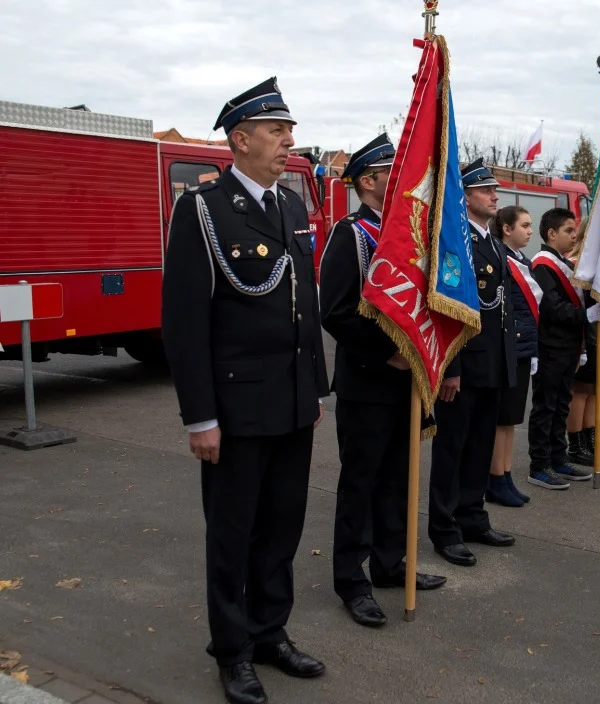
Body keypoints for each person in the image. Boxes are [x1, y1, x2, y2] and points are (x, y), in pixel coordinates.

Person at [161, 77, 329, 704]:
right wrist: (199, 417)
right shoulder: (201, 210)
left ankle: (269, 632)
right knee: (233, 534)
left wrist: (313, 388)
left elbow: (302, 306)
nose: (289, 140)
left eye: (289, 130)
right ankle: (232, 651)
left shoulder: (289, 206)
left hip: (289, 401)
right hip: (234, 407)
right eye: (277, 130)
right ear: (240, 139)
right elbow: (183, 324)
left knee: (283, 527)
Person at [319, 134, 446, 629]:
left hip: (405, 381)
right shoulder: (351, 235)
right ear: (369, 181)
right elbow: (336, 312)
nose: (403, 177)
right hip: (369, 382)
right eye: (393, 170)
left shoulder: (407, 234)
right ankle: (352, 581)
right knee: (361, 484)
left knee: (398, 480)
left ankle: (391, 565)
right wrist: (386, 352)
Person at [429, 159, 518, 567]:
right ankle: (445, 528)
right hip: (464, 367)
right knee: (452, 450)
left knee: (480, 447)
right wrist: (451, 367)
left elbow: (500, 309)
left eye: (494, 189)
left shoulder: (495, 242)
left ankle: (472, 517)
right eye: (485, 190)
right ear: (464, 196)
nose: (494, 196)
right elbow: (448, 308)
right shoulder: (455, 240)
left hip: (493, 363)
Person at [528, 208, 597, 487]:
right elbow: (552, 307)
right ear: (552, 233)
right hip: (550, 346)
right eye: (569, 231)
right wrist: (586, 316)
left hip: (567, 345)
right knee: (546, 406)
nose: (574, 236)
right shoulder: (543, 264)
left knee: (561, 406)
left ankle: (558, 459)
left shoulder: (563, 263)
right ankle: (539, 465)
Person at [487, 205, 540, 506]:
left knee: (511, 419)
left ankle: (505, 473)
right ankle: (495, 478)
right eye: (525, 225)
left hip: (523, 349)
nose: (530, 231)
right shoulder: (501, 259)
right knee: (502, 418)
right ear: (507, 229)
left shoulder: (524, 261)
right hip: (508, 348)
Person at [567, 219, 600, 468]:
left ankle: (592, 442)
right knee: (581, 391)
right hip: (586, 333)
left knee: (595, 392)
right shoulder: (578, 265)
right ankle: (576, 445)